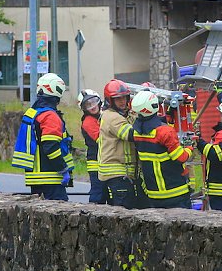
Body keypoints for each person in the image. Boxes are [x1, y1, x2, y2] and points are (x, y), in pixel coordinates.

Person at [11, 73, 74, 201]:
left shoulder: (33, 112)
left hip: (36, 178)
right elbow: (50, 146)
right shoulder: (50, 116)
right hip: (50, 178)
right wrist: (62, 168)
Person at [131, 90, 193, 209]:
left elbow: (152, 123)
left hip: (154, 194)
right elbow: (180, 158)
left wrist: (169, 114)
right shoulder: (165, 132)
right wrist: (190, 148)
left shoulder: (136, 132)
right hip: (175, 192)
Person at [98, 79, 140, 208]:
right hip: (117, 174)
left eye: (124, 97)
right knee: (123, 213)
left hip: (123, 173)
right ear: (110, 101)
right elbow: (130, 134)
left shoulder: (123, 114)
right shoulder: (111, 117)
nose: (122, 101)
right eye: (118, 99)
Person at [78, 89, 106, 204]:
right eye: (88, 105)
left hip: (103, 160)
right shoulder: (88, 121)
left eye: (94, 102)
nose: (92, 107)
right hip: (96, 162)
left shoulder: (101, 117)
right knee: (98, 193)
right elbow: (102, 139)